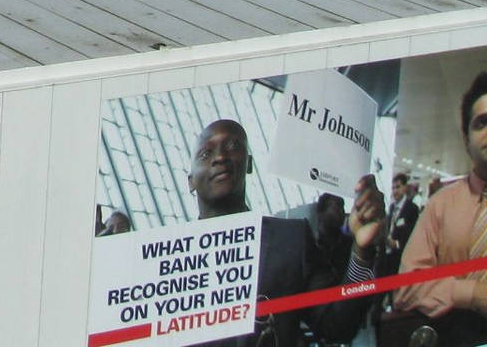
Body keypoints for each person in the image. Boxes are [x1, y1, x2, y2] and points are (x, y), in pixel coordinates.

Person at [186, 118, 378, 347]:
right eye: (206, 154)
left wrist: (362, 252)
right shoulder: (163, 258)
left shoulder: (290, 240)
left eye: (233, 146)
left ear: (248, 163)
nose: (220, 157)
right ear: (190, 181)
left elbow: (337, 325)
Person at [387, 70, 487, 330]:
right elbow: (406, 288)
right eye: (482, 123)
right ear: (466, 140)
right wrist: (473, 294)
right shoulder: (439, 206)